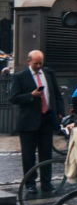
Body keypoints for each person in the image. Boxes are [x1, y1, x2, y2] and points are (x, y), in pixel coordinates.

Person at [10, 50, 64, 194]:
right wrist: (31, 95)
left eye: (41, 63)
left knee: (46, 153)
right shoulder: (20, 77)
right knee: (28, 155)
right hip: (28, 121)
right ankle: (30, 183)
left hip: (46, 119)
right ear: (29, 62)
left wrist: (60, 112)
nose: (39, 66)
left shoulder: (48, 73)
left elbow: (56, 94)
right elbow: (13, 98)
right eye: (36, 63)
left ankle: (47, 182)